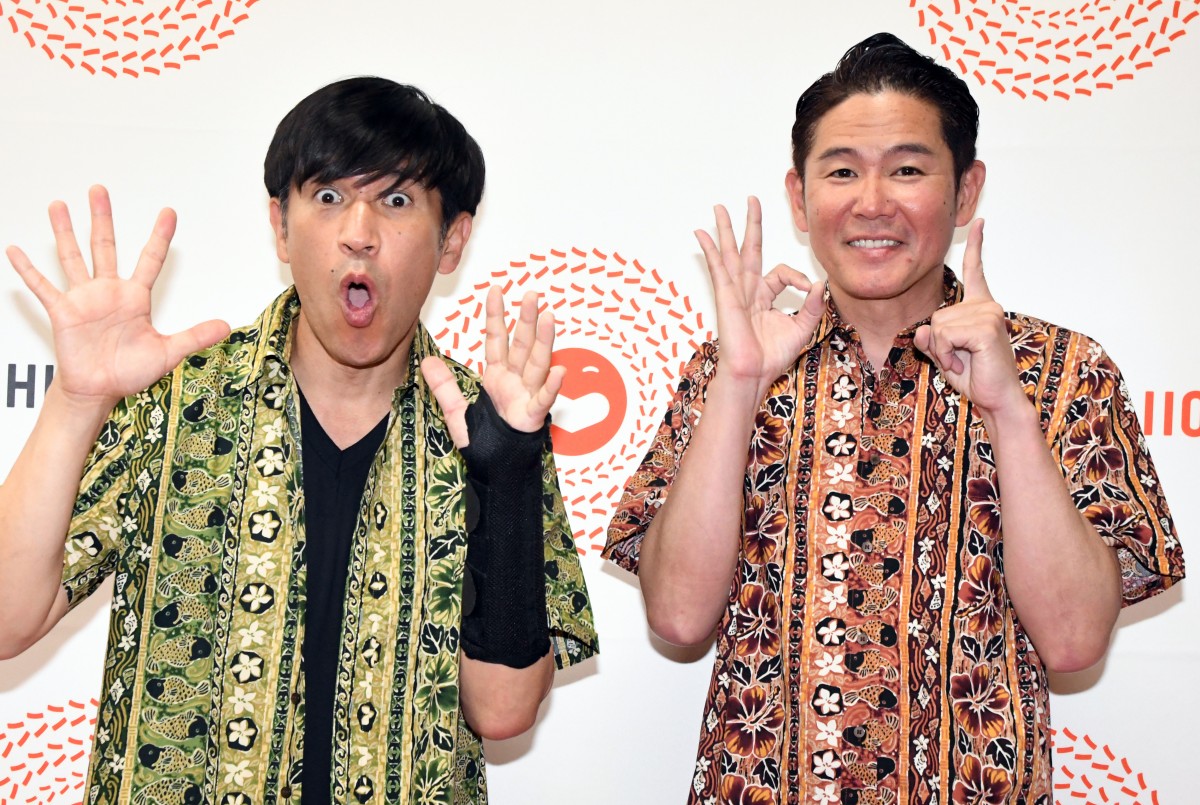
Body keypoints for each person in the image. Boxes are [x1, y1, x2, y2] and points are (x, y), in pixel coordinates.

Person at [604, 32, 1183, 805]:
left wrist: (1008, 410)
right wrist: (738, 386)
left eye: (908, 170)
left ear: (966, 191)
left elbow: (1075, 642)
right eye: (842, 171)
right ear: (800, 197)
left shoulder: (1061, 371)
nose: (872, 203)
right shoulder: (731, 369)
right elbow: (677, 617)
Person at [0, 77, 597, 805]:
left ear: (453, 240)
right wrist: (75, 401)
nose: (359, 232)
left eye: (397, 200)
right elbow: (7, 619)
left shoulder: (491, 428)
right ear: (280, 226)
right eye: (329, 196)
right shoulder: (179, 400)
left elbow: (503, 712)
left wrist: (504, 476)